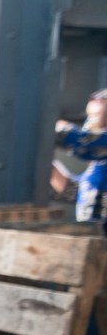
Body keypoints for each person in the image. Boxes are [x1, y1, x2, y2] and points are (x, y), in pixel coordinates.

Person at [53, 89, 107, 230]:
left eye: (96, 117)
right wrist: (53, 173)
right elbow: (86, 194)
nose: (89, 123)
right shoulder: (100, 164)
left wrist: (52, 126)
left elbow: (84, 143)